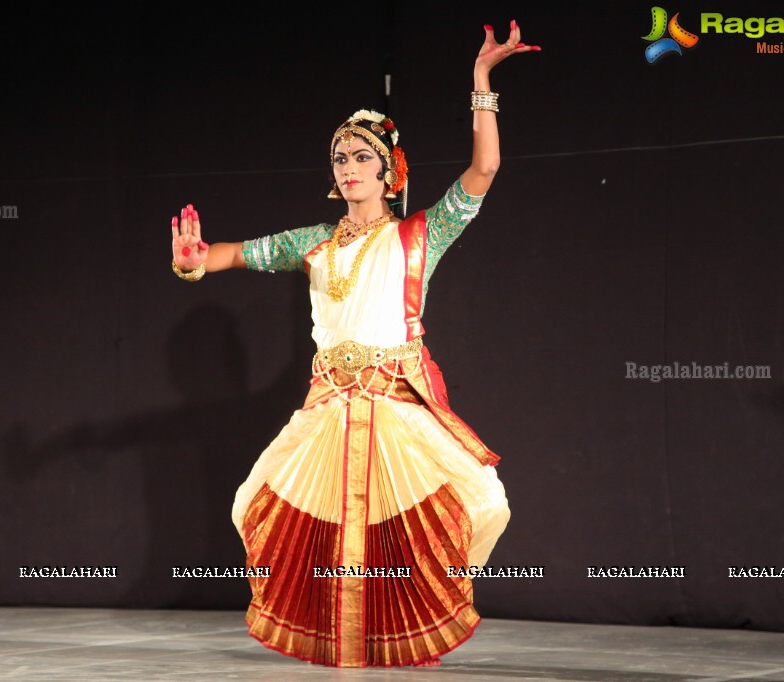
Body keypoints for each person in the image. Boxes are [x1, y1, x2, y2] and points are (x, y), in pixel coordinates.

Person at [168, 21, 539, 668]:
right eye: (339, 159)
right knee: (251, 502)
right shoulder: (311, 243)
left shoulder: (422, 233)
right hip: (329, 408)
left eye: (361, 157)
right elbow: (231, 253)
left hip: (395, 401)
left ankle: (418, 614)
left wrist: (481, 80)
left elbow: (485, 167)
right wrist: (193, 261)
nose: (347, 169)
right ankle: (342, 636)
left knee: (483, 503)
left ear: (390, 170)